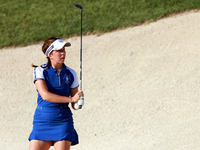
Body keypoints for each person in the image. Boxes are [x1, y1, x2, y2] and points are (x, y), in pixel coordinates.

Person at [28, 37, 84, 150]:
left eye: (64, 50)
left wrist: (78, 102)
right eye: (59, 51)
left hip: (63, 121)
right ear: (50, 54)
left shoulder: (71, 73)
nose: (63, 53)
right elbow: (45, 95)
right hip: (42, 120)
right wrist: (71, 100)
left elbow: (74, 103)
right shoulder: (40, 70)